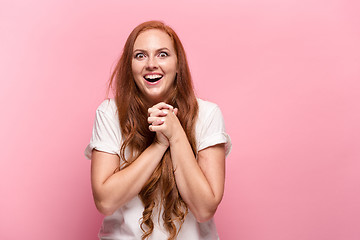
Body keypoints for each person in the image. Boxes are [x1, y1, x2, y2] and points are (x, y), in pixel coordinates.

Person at [84, 20, 231, 240]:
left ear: (178, 64)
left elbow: (204, 209)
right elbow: (105, 202)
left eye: (162, 54)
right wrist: (160, 144)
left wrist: (177, 134)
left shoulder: (207, 114)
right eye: (140, 55)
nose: (151, 64)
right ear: (130, 66)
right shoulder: (109, 113)